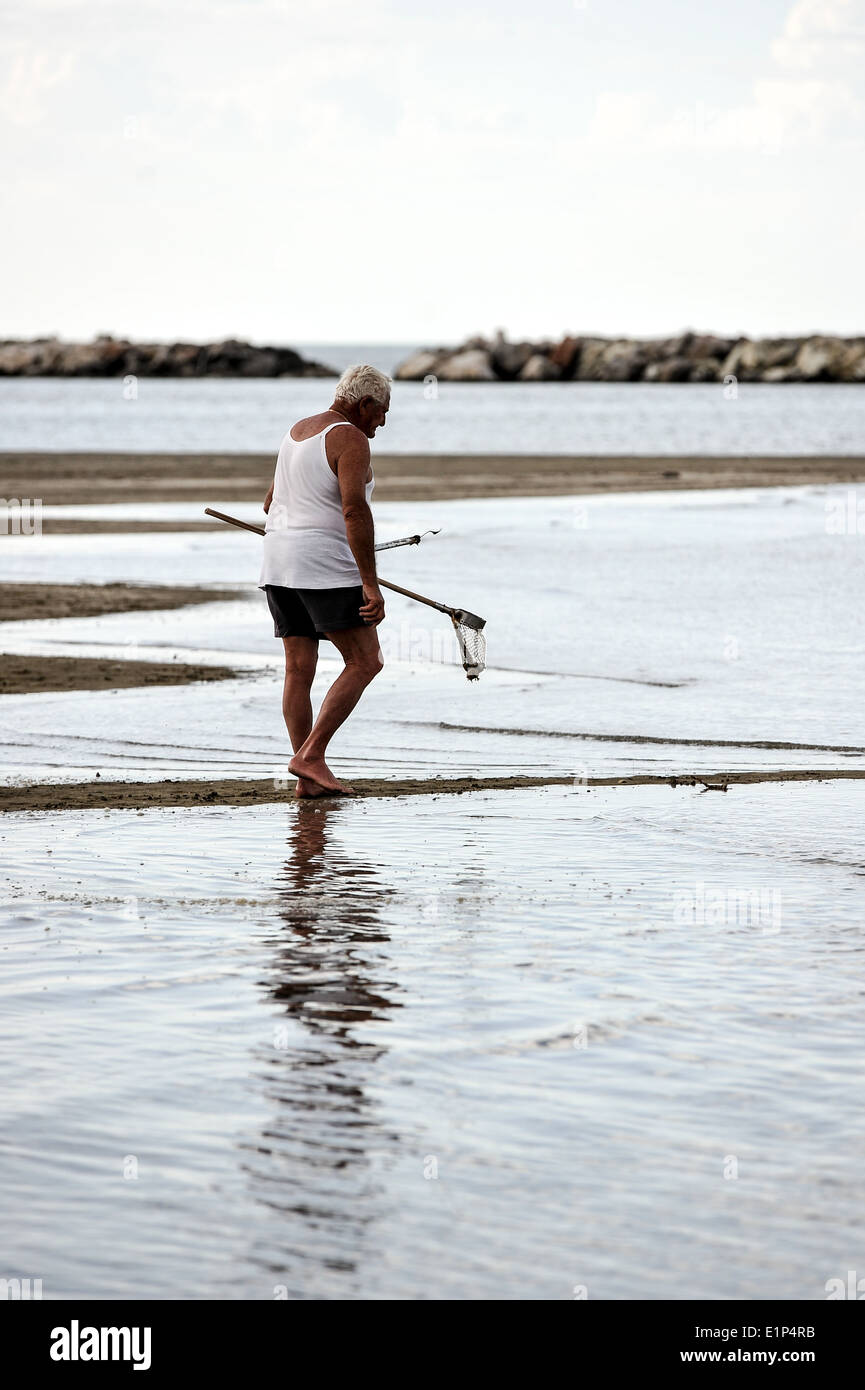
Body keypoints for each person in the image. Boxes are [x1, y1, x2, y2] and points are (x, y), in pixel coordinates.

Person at [259, 363, 390, 797]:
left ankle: (308, 777)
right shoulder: (349, 437)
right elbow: (354, 511)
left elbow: (269, 503)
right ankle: (311, 756)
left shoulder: (296, 431)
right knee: (366, 661)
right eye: (381, 412)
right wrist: (370, 584)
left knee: (298, 669)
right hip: (322, 566)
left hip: (277, 562)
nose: (382, 422)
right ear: (364, 403)